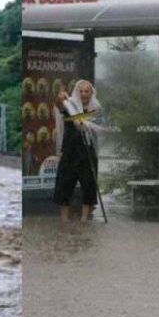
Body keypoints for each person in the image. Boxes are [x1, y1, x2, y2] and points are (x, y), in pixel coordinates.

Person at [53, 79, 105, 222]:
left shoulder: (96, 109)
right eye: (81, 91)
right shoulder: (70, 105)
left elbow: (100, 127)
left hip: (87, 152)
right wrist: (59, 98)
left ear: (91, 93)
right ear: (77, 92)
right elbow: (59, 105)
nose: (83, 94)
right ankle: (64, 220)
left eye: (86, 91)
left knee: (88, 185)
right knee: (64, 185)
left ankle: (84, 220)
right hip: (70, 150)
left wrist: (85, 124)